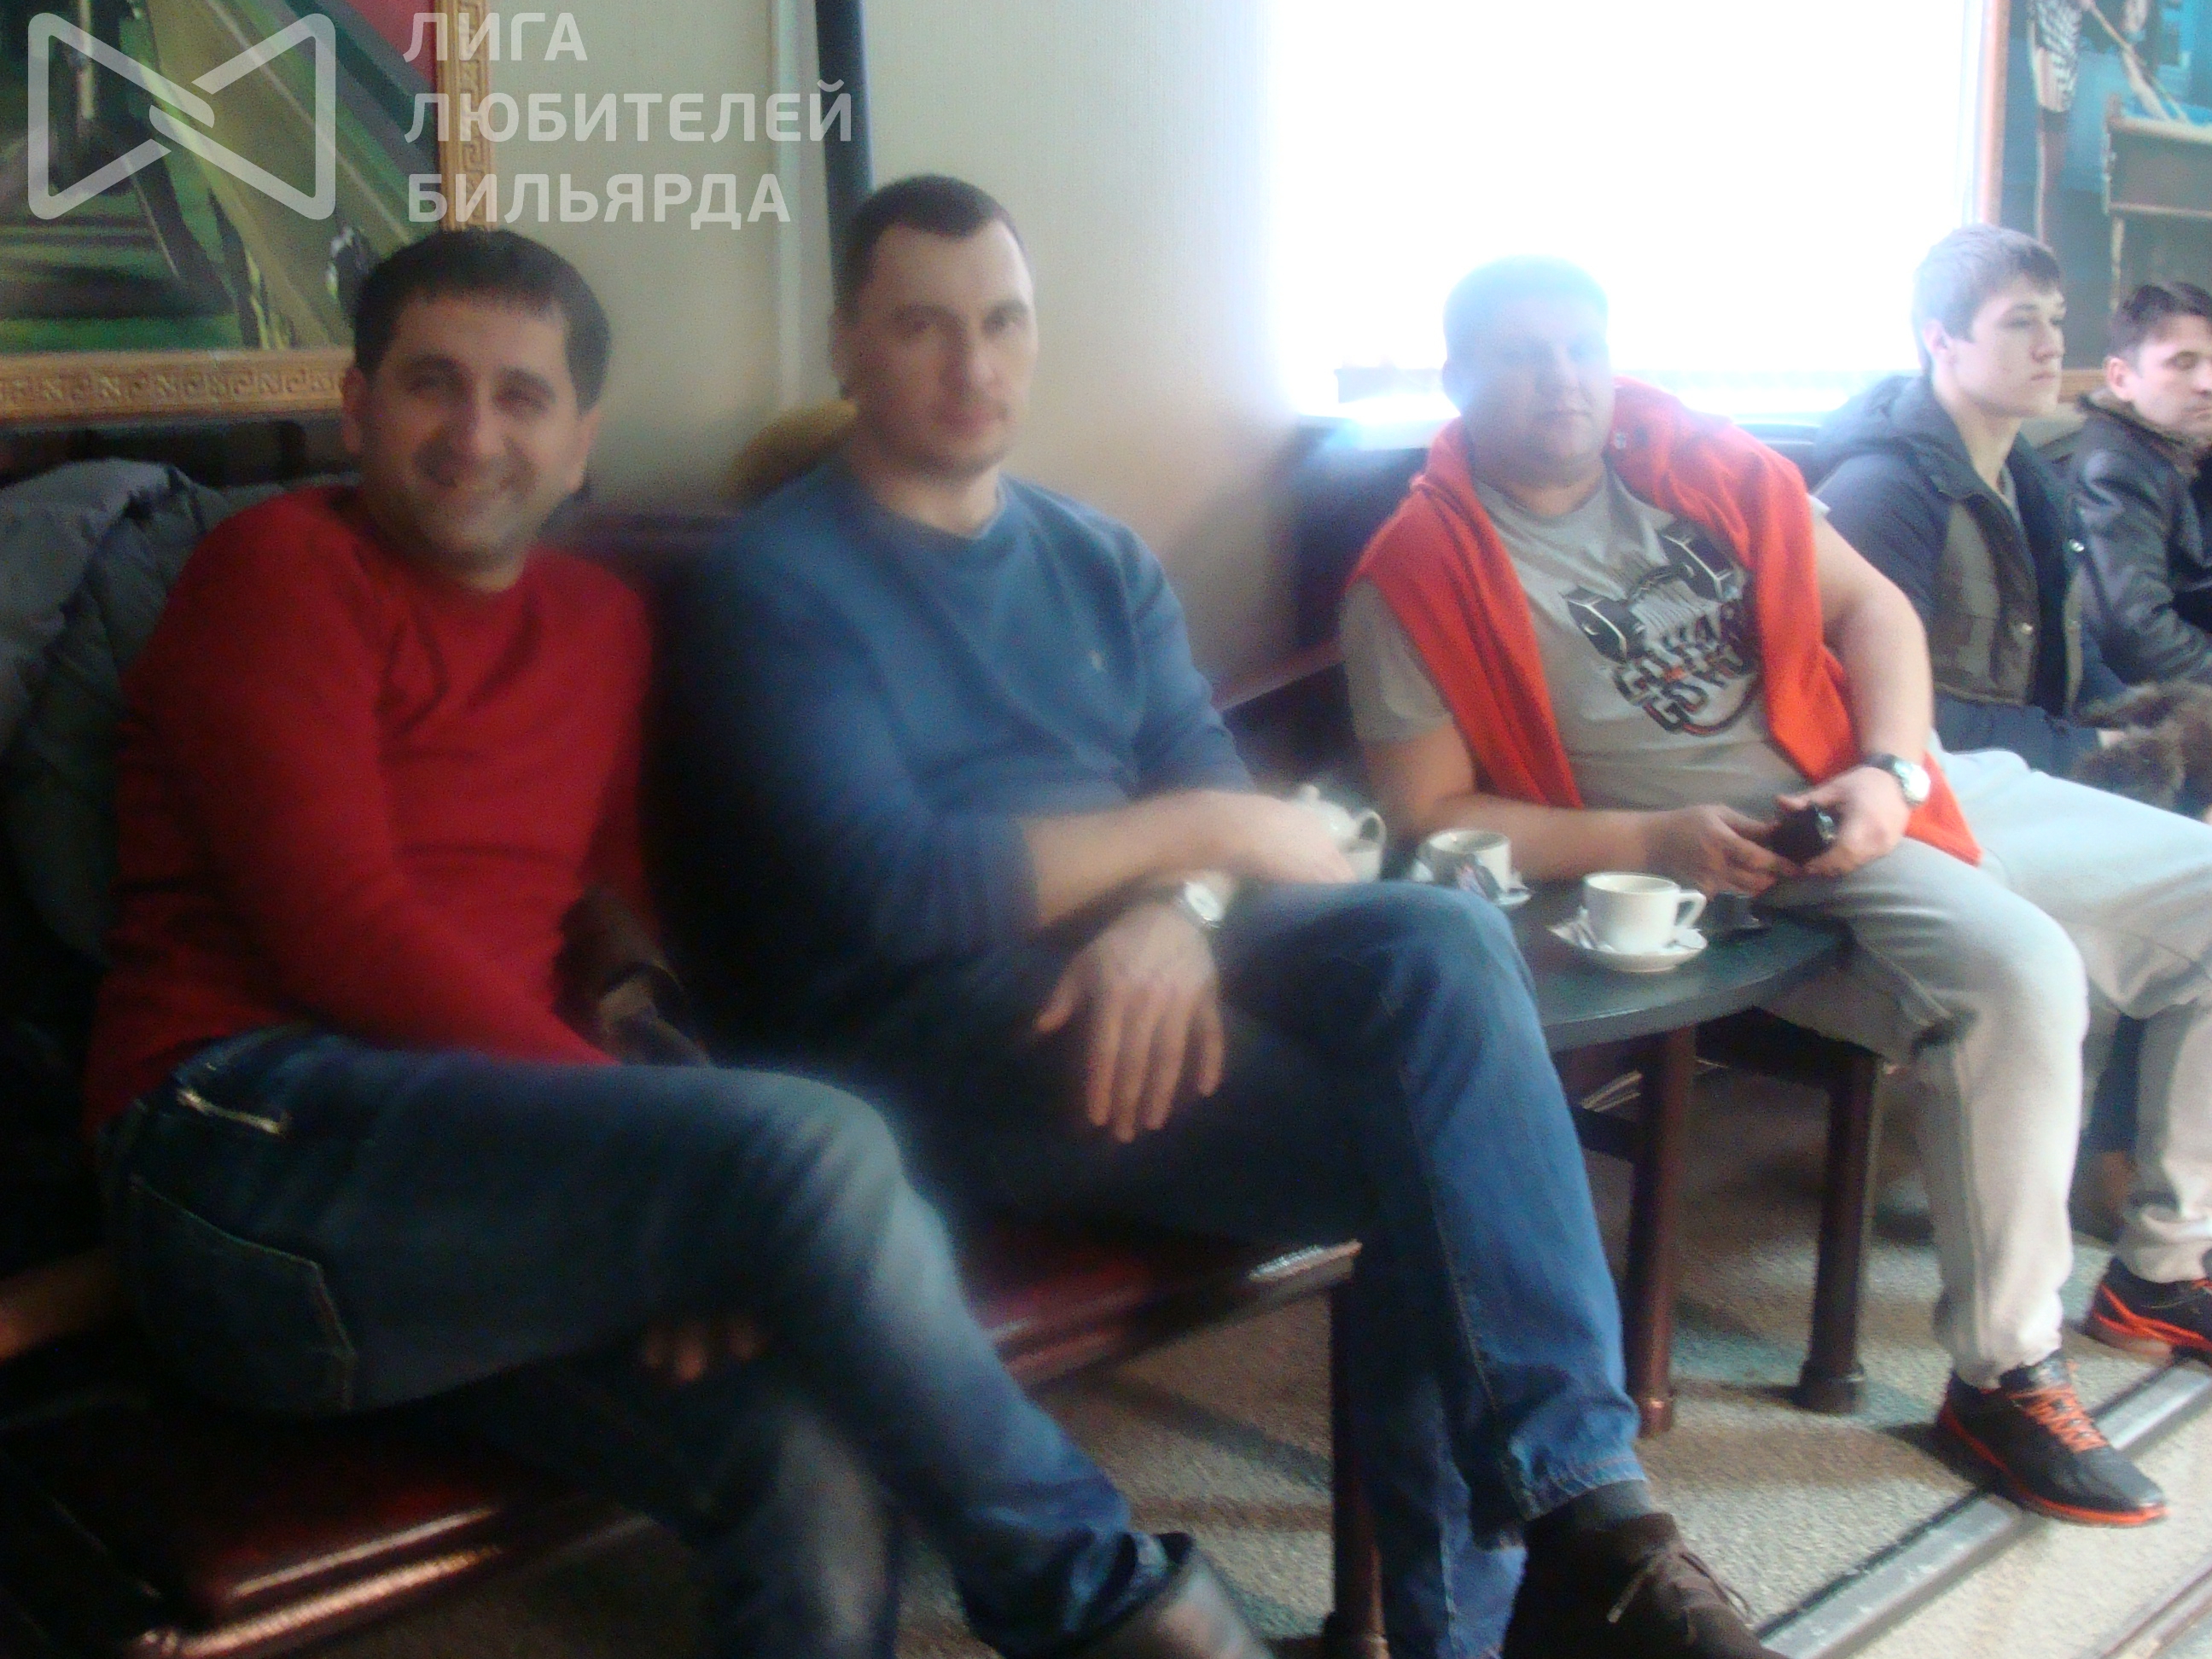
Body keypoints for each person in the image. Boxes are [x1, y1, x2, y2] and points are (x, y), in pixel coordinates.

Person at [87, 228, 1266, 1659]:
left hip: (469, 1204)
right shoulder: (276, 568)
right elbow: (345, 930)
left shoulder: (599, 625)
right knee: (812, 1146)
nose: (475, 434)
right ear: (357, 406)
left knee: (807, 1448)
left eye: (523, 396)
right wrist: (689, 1165)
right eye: (432, 384)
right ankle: (1105, 1608)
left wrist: (674, 1141)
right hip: (240, 1156)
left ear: (582, 440)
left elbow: (622, 922)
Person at [663, 175, 1780, 1659]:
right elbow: (897, 887)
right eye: (923, 325)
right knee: (1438, 1158)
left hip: (1136, 970)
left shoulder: (1094, 556)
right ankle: (1491, 1617)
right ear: (847, 344)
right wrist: (1194, 842)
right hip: (930, 1030)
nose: (972, 363)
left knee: (1442, 943)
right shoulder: (773, 580)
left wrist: (1176, 914)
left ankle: (1591, 1519)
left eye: (1002, 321)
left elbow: (1209, 792)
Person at [1342, 249, 2212, 1538]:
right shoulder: (1414, 571)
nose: (1563, 378)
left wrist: (1892, 769)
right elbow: (1430, 817)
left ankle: (2165, 1266)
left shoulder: (1696, 460)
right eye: (1522, 355)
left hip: (1882, 782)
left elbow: (1877, 615)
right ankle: (2006, 1373)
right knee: (2020, 968)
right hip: (1746, 858)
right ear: (1457, 376)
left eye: (1582, 347)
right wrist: (1656, 835)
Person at [2063, 282, 2212, 689]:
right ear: (2121, 378)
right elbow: (2136, 635)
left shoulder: (2193, 447)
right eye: (2183, 362)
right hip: (2159, 704)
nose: (2207, 382)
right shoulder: (2115, 469)